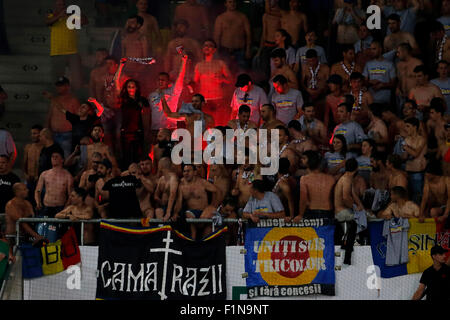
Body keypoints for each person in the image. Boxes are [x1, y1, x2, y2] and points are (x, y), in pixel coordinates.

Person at [45, 0, 87, 90]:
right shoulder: (52, 15)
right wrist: (60, 15)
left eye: (63, 4)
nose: (61, 6)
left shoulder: (71, 17)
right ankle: (58, 100)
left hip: (73, 52)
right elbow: (47, 22)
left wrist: (75, 13)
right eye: (59, 4)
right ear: (55, 6)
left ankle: (77, 99)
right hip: (57, 52)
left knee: (78, 81)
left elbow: (84, 21)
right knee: (57, 80)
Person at [173, 163, 220, 239]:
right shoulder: (181, 185)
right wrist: (175, 213)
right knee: (187, 214)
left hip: (205, 212)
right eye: (184, 171)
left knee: (207, 233)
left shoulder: (202, 182)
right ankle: (193, 240)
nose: (186, 173)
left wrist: (213, 205)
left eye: (188, 171)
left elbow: (217, 191)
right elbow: (179, 201)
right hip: (192, 213)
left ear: (195, 172)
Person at [193, 39, 232, 125]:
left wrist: (222, 79)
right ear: (203, 49)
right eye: (205, 46)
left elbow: (231, 80)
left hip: (217, 99)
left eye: (209, 46)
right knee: (202, 126)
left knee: (218, 124)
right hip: (204, 100)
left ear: (214, 50)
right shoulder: (198, 65)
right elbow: (195, 83)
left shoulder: (220, 63)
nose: (207, 47)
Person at [334, 158, 365, 265]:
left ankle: (354, 241)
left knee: (364, 215)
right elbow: (346, 197)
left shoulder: (347, 178)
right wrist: (355, 208)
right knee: (362, 220)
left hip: (344, 211)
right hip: (342, 212)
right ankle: (351, 248)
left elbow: (354, 195)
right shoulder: (346, 179)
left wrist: (361, 206)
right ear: (356, 168)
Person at [150, 54, 187, 142]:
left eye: (163, 80)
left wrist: (184, 62)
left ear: (168, 82)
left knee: (171, 152)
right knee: (156, 152)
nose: (160, 81)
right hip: (156, 129)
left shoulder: (173, 92)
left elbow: (180, 77)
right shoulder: (152, 95)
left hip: (170, 128)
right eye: (159, 79)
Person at [43, 77, 81, 159]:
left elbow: (78, 118)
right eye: (58, 86)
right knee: (51, 159)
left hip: (66, 135)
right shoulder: (55, 100)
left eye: (61, 85)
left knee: (65, 158)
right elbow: (49, 115)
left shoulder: (73, 100)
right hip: (53, 135)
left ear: (67, 86)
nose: (58, 88)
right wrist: (46, 129)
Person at [295, 150, 335, 221]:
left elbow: (303, 200)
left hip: (312, 213)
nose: (301, 160)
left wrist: (300, 215)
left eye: (304, 158)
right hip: (329, 212)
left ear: (310, 161)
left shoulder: (304, 179)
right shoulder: (331, 178)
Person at [119, 79, 150, 169]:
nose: (131, 89)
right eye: (129, 87)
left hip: (138, 131)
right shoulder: (123, 100)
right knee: (126, 156)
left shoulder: (142, 100)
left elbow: (146, 116)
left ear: (136, 88)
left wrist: (146, 131)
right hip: (125, 132)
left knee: (138, 156)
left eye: (133, 87)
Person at [213, 0, 252, 69]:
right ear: (226, 4)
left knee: (241, 72)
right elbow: (217, 36)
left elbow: (249, 34)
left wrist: (248, 49)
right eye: (230, 2)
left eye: (234, 2)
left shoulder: (242, 17)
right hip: (225, 50)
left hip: (240, 51)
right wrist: (216, 52)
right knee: (225, 73)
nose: (232, 4)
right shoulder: (221, 18)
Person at [35, 151, 73, 217]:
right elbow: (38, 190)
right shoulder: (44, 174)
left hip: (61, 207)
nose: (54, 158)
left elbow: (71, 195)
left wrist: (65, 208)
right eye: (52, 157)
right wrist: (38, 202)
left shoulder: (68, 175)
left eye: (56, 157)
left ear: (62, 160)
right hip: (47, 206)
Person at [401, 117, 427, 204]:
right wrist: (405, 149)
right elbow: (404, 157)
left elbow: (416, 154)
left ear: (415, 127)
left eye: (408, 126)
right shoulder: (406, 140)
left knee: (418, 196)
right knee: (407, 196)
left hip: (418, 173)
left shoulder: (421, 140)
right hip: (408, 172)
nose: (405, 129)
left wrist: (406, 147)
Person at [363, 40, 397, 105]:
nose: (372, 51)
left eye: (374, 49)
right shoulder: (368, 64)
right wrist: (370, 82)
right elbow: (364, 82)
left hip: (385, 100)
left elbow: (394, 83)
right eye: (370, 49)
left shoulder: (389, 64)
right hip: (371, 100)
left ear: (380, 49)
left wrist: (382, 85)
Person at [395, 42, 423, 111]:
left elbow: (422, 80)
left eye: (399, 52)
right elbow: (399, 79)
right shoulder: (399, 65)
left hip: (415, 96)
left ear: (404, 52)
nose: (397, 54)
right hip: (402, 97)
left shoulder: (417, 63)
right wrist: (398, 88)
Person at [23, 125, 44, 205]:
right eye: (32, 134)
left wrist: (39, 176)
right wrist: (25, 174)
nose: (33, 136)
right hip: (29, 179)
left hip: (40, 180)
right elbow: (24, 163)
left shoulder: (44, 148)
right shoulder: (28, 147)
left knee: (39, 202)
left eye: (35, 133)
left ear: (41, 134)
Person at [154, 157, 179, 221]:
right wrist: (161, 202)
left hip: (173, 207)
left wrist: (168, 212)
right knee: (158, 211)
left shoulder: (173, 178)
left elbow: (172, 195)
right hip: (163, 206)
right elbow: (156, 196)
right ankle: (162, 229)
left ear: (161, 166)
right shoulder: (161, 179)